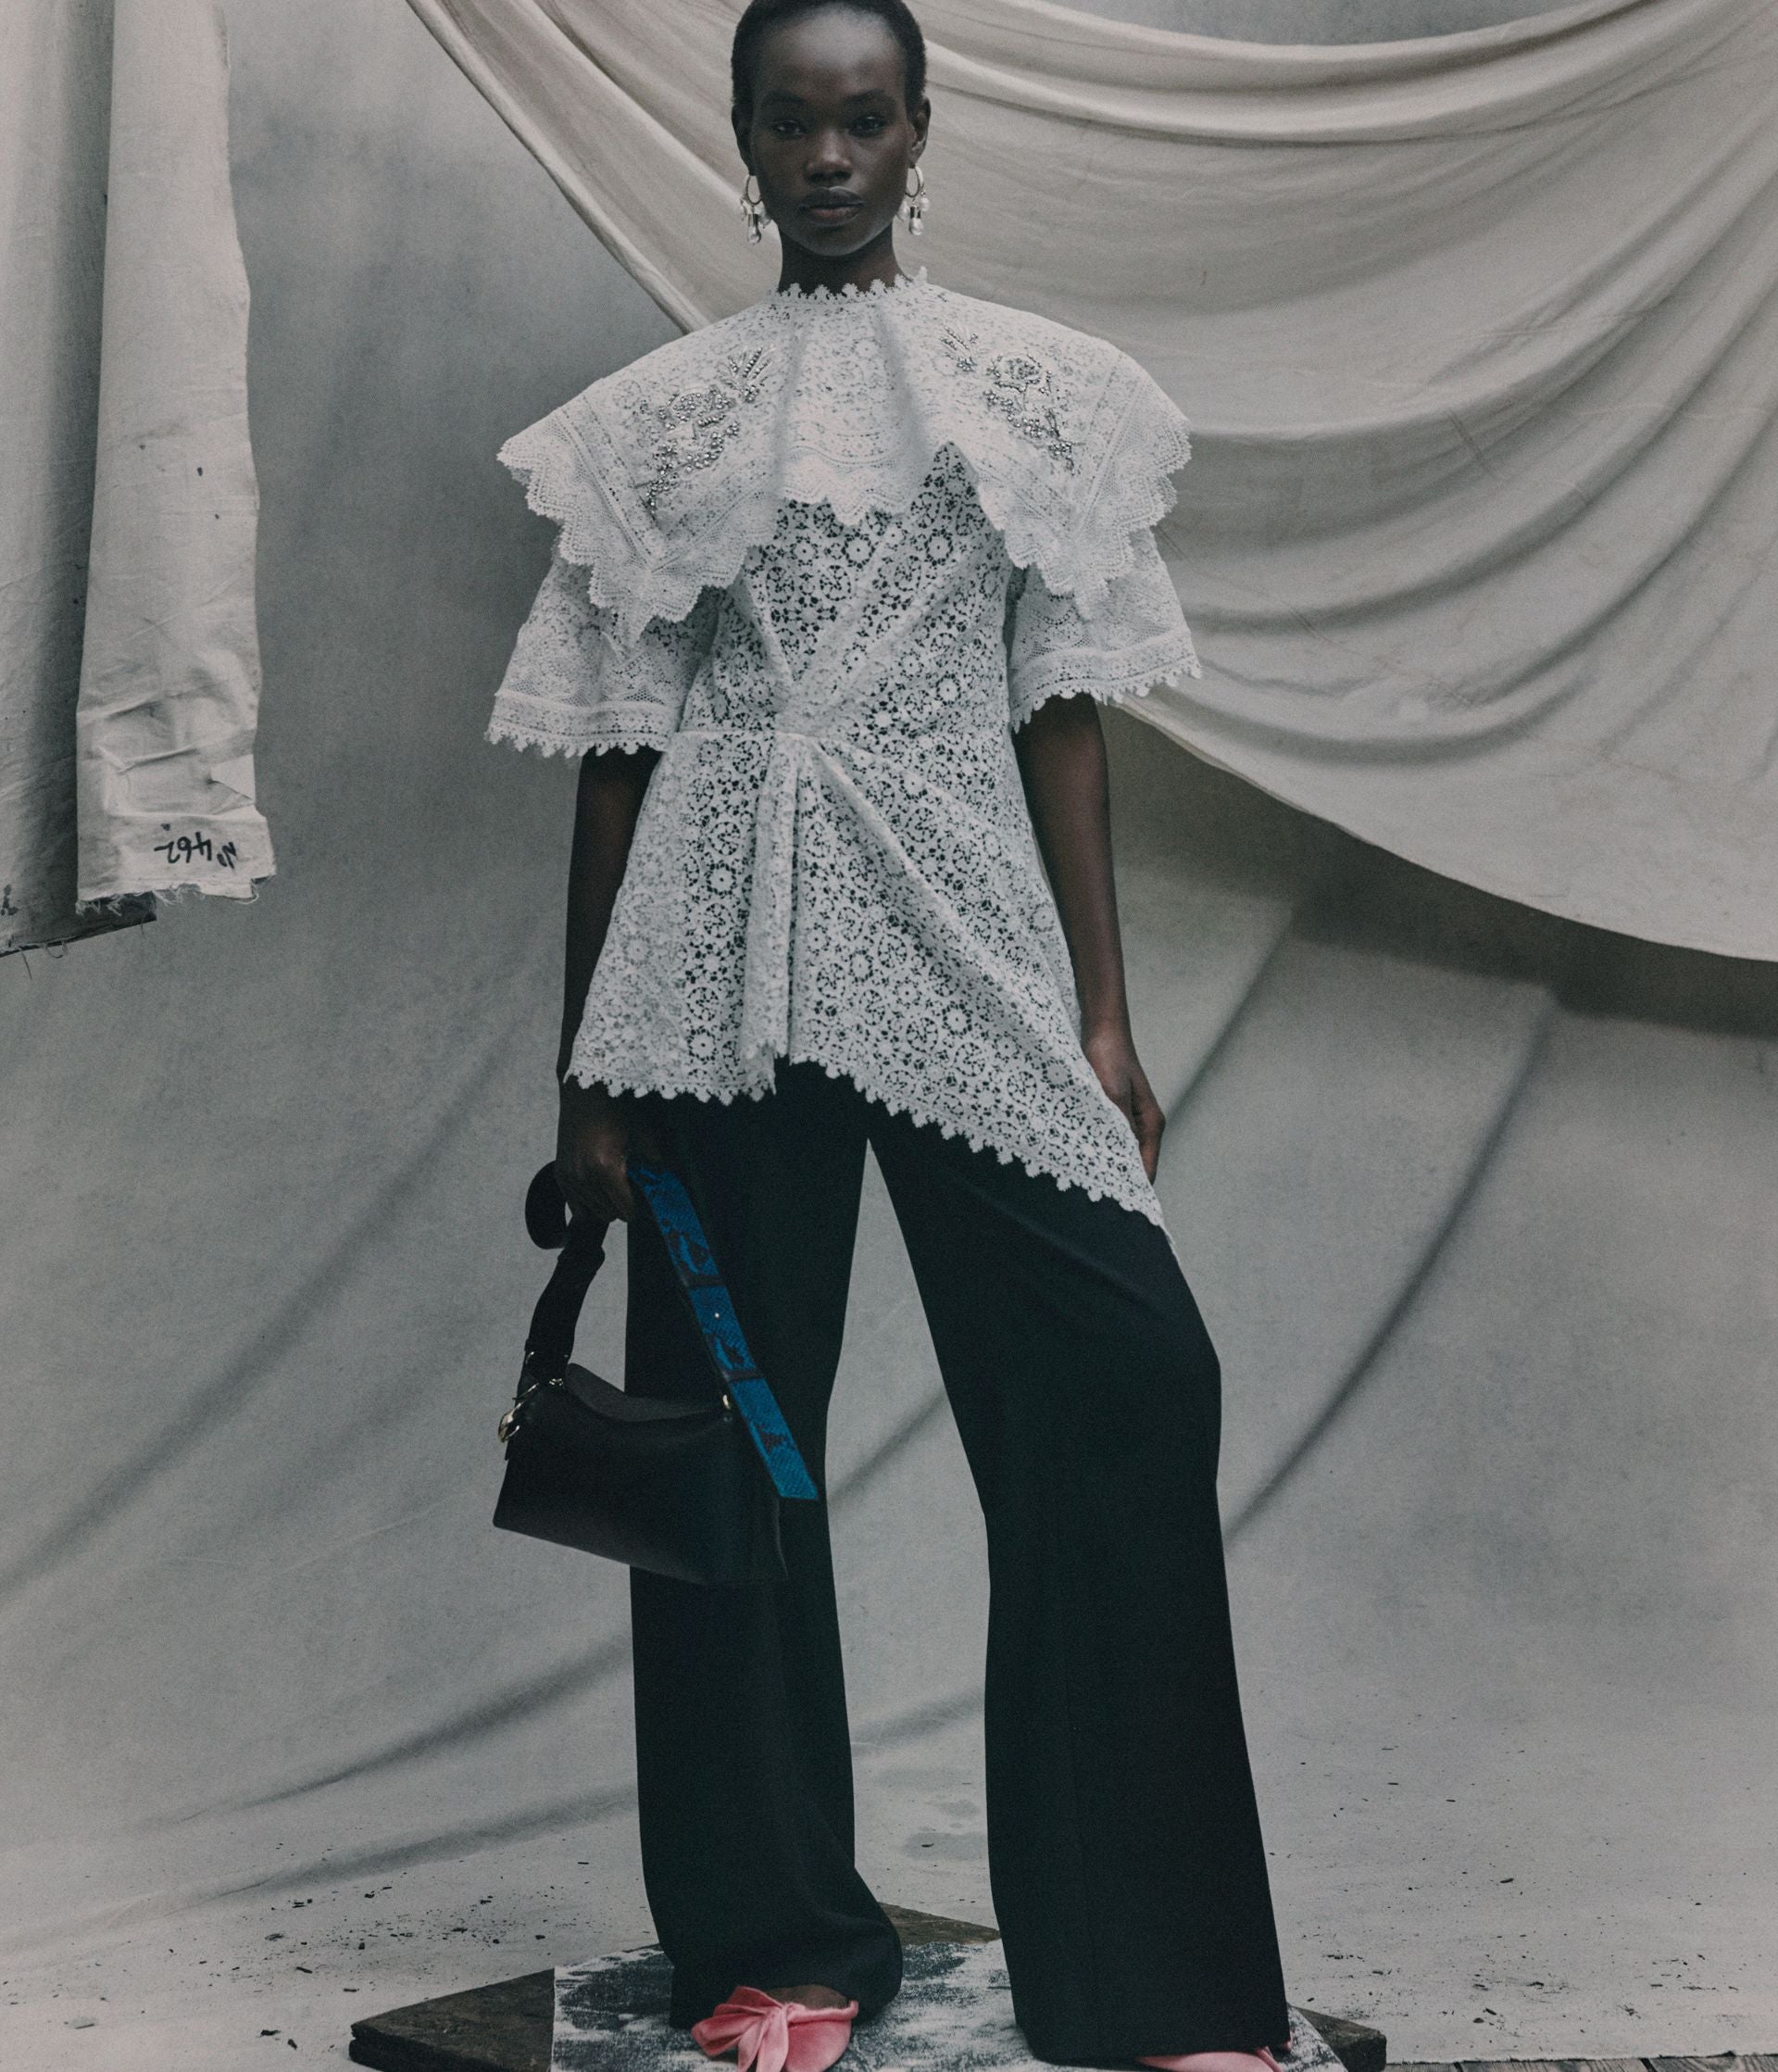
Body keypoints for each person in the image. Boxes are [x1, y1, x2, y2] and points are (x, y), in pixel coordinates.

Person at [486, 2, 1292, 2067]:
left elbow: (1060, 709)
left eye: (865, 120)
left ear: (923, 133)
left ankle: (1156, 1979)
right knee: (732, 1448)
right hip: (711, 962)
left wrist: (1102, 1017)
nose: (830, 158)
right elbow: (615, 759)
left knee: (1128, 1375)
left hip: (957, 930)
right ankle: (778, 1948)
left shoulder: (1034, 391)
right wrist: (588, 1072)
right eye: (792, 122)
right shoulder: (666, 420)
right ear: (743, 143)